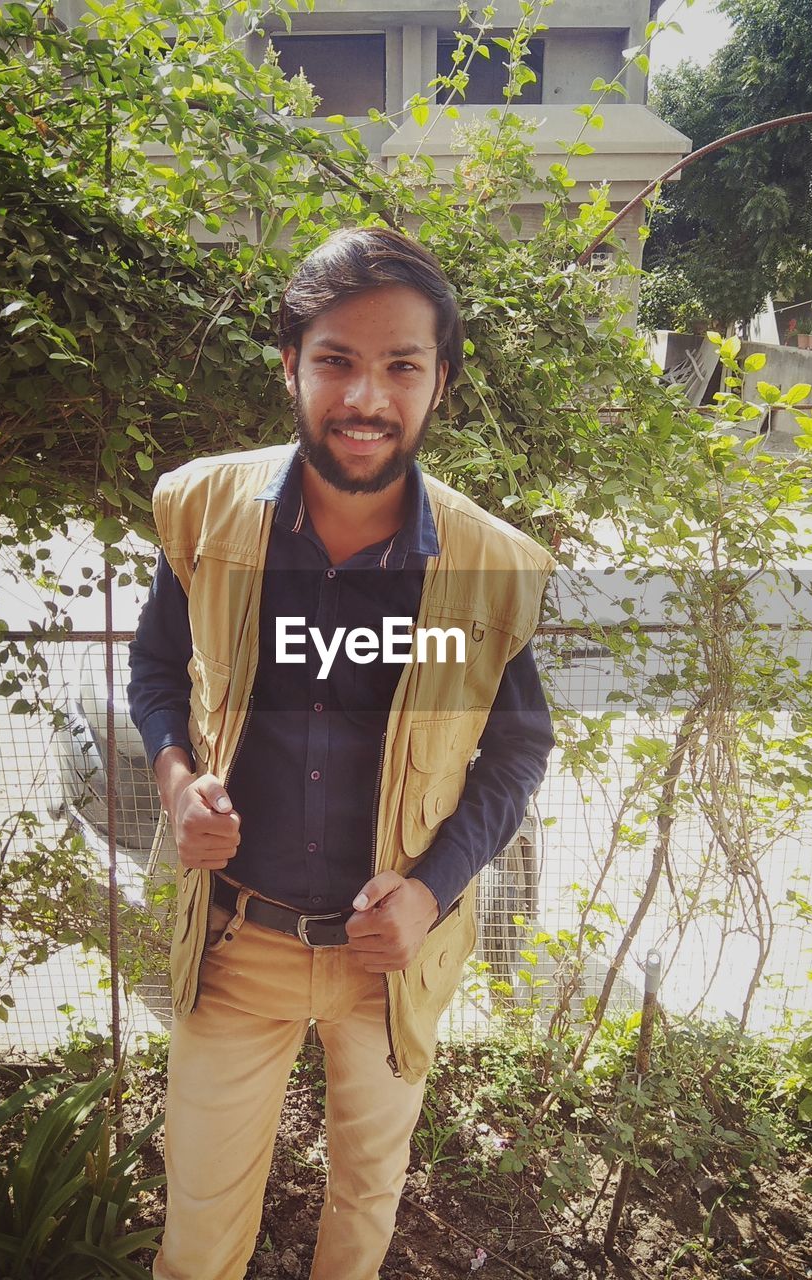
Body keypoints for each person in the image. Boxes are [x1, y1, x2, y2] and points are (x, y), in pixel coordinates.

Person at [128, 226, 556, 1280]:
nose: (366, 395)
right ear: (291, 365)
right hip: (240, 944)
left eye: (401, 365)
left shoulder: (489, 569)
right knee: (197, 1236)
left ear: (439, 383)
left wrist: (431, 890)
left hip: (389, 967)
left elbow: (516, 750)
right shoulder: (208, 514)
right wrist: (179, 781)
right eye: (336, 360)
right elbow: (152, 675)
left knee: (363, 1212)